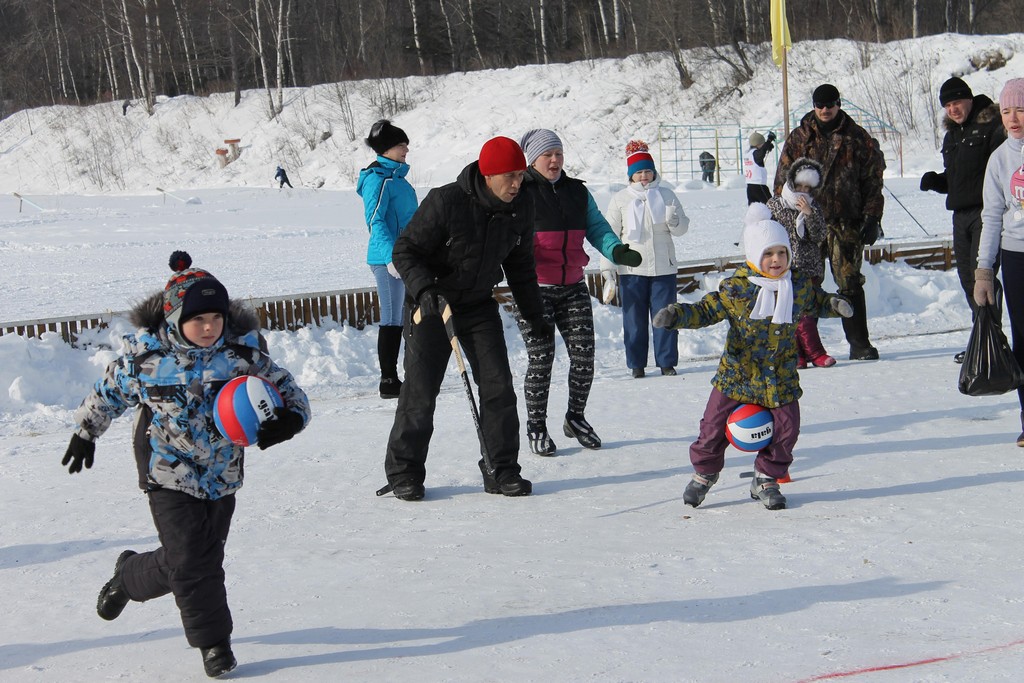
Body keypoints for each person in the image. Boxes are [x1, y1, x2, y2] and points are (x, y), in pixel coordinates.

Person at [61, 250, 311, 678]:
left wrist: (289, 419)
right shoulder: (146, 361)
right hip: (166, 473)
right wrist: (85, 431)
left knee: (192, 560)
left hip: (223, 476)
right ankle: (214, 644)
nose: (209, 326)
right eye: (198, 319)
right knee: (195, 561)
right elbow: (108, 392)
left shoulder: (241, 357)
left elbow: (290, 392)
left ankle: (129, 574)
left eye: (215, 317)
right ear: (175, 318)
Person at [652, 207, 853, 510]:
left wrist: (834, 304)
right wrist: (676, 315)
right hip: (737, 374)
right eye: (768, 254)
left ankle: (765, 479)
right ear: (755, 257)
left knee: (787, 430)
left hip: (779, 377)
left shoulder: (797, 286)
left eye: (782, 253)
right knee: (711, 428)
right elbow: (706, 310)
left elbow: (817, 301)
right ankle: (704, 473)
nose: (776, 260)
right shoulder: (738, 289)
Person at [382, 136, 546, 500]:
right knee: (421, 392)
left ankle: (500, 469)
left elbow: (520, 266)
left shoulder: (521, 206)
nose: (517, 183)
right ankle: (404, 472)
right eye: (509, 176)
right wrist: (424, 290)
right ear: (488, 175)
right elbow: (405, 250)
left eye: (520, 175)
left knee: (498, 386)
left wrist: (534, 314)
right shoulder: (447, 200)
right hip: (432, 305)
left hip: (477, 305)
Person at [512, 129, 642, 456]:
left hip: (573, 287)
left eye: (558, 153)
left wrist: (616, 251)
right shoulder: (521, 192)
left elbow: (597, 228)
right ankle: (536, 425)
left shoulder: (576, 192)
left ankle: (575, 417)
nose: (555, 160)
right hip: (534, 290)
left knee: (584, 359)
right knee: (542, 361)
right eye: (547, 155)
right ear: (533, 160)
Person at [774, 83, 884, 361]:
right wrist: (781, 215)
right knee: (807, 284)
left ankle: (859, 343)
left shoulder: (857, 136)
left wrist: (872, 216)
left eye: (830, 104)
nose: (825, 110)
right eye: (820, 105)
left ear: (838, 104)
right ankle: (802, 348)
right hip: (806, 223)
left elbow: (873, 179)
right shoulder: (800, 137)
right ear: (814, 106)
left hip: (846, 221)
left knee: (849, 281)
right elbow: (782, 179)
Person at [920, 77, 1006, 363]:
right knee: (968, 279)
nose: (953, 109)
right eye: (947, 105)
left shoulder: (993, 126)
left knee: (984, 277)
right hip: (961, 216)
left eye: (957, 102)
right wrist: (938, 181)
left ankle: (992, 343)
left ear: (969, 99)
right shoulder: (952, 136)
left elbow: (999, 173)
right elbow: (959, 179)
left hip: (988, 213)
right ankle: (983, 337)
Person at [603, 139, 687, 379]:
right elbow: (609, 234)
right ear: (630, 175)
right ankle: (636, 364)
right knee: (634, 320)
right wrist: (607, 266)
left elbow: (682, 229)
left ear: (654, 172)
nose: (643, 176)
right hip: (631, 269)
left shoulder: (667, 195)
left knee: (666, 315)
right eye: (638, 172)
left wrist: (674, 222)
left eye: (647, 171)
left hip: (664, 268)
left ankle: (667, 362)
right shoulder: (620, 199)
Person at [974, 77, 1024, 447]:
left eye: (1020, 109)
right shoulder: (1000, 159)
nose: (1013, 118)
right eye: (1006, 111)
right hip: (1016, 255)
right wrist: (984, 271)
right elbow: (992, 217)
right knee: (1023, 339)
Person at [357, 119, 418, 398]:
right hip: (386, 260)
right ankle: (388, 380)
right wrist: (392, 257)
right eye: (400, 145)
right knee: (391, 317)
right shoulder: (377, 179)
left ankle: (408, 373)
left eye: (406, 144)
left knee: (404, 317)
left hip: (404, 257)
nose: (406, 149)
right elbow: (375, 221)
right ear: (386, 149)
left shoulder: (399, 180)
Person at [766, 157, 835, 368]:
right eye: (799, 186)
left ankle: (802, 355)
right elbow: (767, 234)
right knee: (793, 313)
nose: (803, 191)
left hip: (809, 266)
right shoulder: (775, 205)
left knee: (807, 312)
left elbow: (820, 235)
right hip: (785, 268)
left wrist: (809, 215)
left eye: (808, 187)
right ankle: (811, 354)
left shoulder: (814, 208)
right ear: (790, 183)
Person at [744, 131, 776, 204]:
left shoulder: (748, 154)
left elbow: (760, 154)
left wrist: (766, 148)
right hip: (759, 186)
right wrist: (769, 141)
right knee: (772, 206)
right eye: (763, 144)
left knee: (754, 209)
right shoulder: (755, 153)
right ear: (758, 144)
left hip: (750, 187)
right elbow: (760, 154)